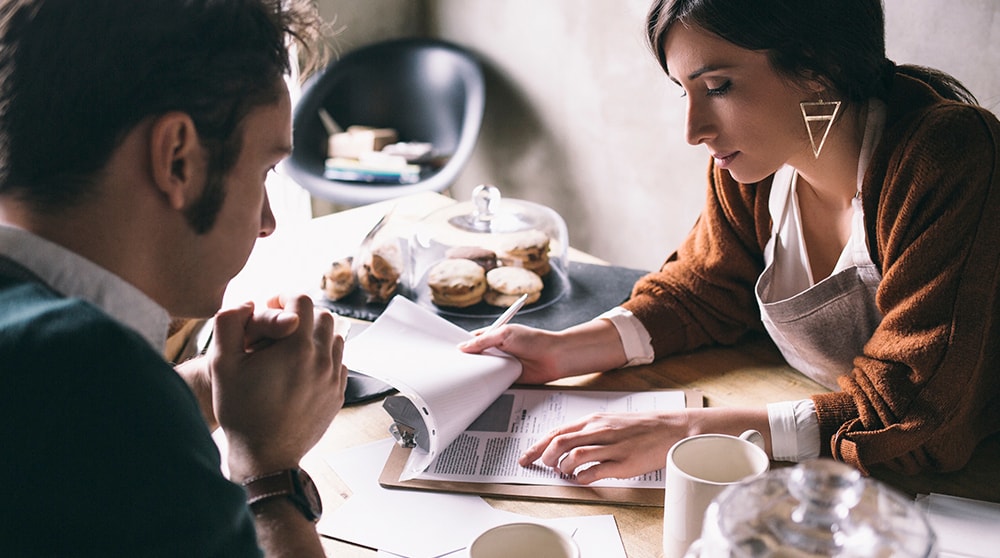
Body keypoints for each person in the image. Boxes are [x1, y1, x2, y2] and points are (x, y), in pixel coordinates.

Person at [461, 0, 1000, 485]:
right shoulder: (753, 166)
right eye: (685, 92)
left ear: (817, 67)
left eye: (717, 86)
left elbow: (920, 416)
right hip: (819, 450)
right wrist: (563, 350)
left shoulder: (948, 157)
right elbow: (704, 288)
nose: (694, 130)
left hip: (955, 487)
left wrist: (692, 429)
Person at [0, 1, 348, 556]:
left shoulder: (58, 370)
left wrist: (212, 384)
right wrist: (269, 469)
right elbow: (97, 406)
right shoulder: (93, 376)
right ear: (178, 159)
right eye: (263, 171)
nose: (267, 221)